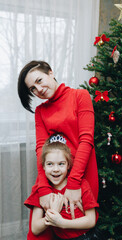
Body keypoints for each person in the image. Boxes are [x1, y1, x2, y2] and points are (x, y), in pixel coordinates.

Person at [18, 61, 99, 239]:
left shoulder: (80, 96)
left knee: (74, 228)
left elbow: (86, 140)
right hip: (54, 177)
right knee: (41, 230)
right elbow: (41, 150)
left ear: (51, 72)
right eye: (32, 88)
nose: (38, 89)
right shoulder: (40, 111)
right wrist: (44, 189)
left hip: (81, 174)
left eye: (39, 80)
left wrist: (74, 183)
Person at [25, 134, 102, 240]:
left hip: (86, 237)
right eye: (50, 164)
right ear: (43, 166)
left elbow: (91, 220)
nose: (55, 169)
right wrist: (52, 214)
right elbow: (35, 228)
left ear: (68, 165)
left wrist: (62, 223)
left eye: (61, 164)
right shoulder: (41, 191)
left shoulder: (81, 185)